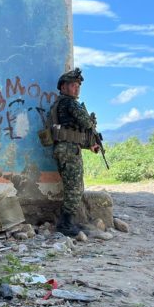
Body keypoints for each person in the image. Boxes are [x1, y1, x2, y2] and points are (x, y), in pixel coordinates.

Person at [49, 68, 100, 236]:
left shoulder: (62, 103)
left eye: (78, 85)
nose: (76, 88)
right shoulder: (69, 103)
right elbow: (86, 123)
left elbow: (72, 133)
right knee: (74, 188)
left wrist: (90, 144)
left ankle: (67, 222)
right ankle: (65, 225)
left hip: (68, 148)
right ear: (63, 87)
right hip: (68, 151)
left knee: (74, 186)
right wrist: (91, 122)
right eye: (73, 85)